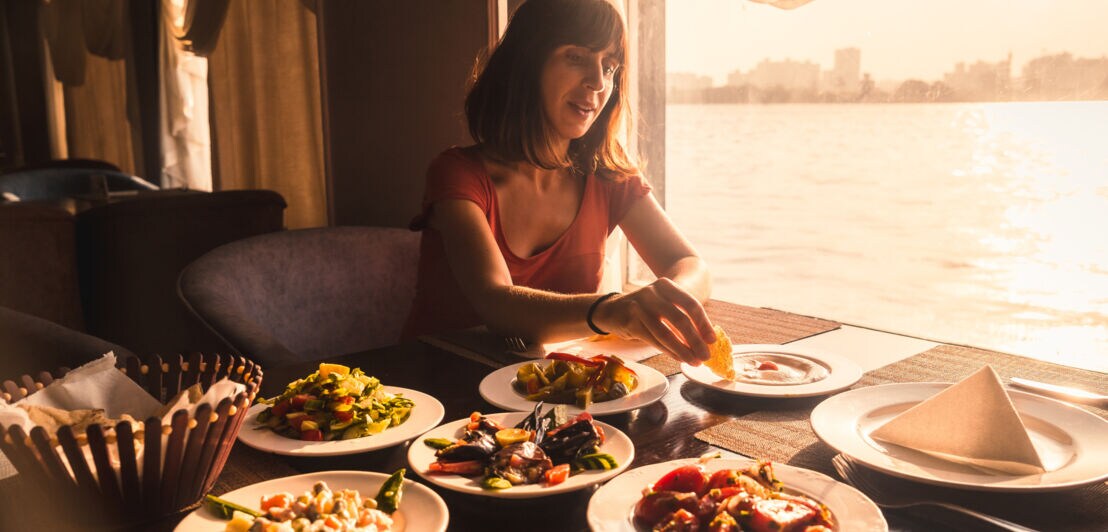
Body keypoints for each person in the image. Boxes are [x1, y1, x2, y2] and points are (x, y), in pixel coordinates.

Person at [402, 0, 715, 364]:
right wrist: (613, 310)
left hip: (542, 395)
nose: (598, 82)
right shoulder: (456, 174)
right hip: (433, 387)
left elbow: (691, 264)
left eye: (609, 66)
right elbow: (495, 301)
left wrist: (665, 298)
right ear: (528, 62)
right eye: (576, 57)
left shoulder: (607, 172)